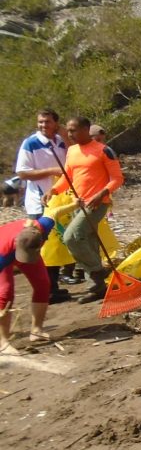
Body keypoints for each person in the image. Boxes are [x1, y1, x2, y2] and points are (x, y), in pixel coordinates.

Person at [49, 116, 125, 304]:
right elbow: (68, 176)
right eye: (68, 130)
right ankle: (97, 288)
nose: (70, 134)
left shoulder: (104, 151)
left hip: (98, 203)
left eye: (73, 130)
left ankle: (97, 271)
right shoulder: (72, 150)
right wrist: (53, 190)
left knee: (71, 236)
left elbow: (117, 178)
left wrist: (101, 194)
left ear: (85, 129)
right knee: (89, 241)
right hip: (78, 203)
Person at [15, 108, 72, 304]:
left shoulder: (60, 141)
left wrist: (65, 135)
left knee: (57, 243)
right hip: (39, 201)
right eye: (40, 122)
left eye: (47, 121)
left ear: (56, 123)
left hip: (61, 199)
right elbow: (22, 172)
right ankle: (47, 289)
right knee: (43, 245)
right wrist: (51, 171)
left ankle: (52, 286)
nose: (43, 125)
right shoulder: (30, 143)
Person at [0, 217, 55, 354]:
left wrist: (75, 204)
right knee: (5, 293)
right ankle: (3, 342)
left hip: (28, 248)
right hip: (5, 252)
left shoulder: (42, 227)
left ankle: (36, 331)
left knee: (43, 283)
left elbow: (54, 213)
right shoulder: (3, 254)